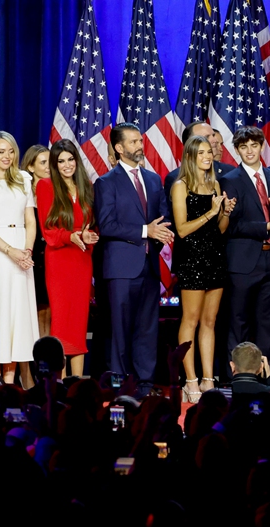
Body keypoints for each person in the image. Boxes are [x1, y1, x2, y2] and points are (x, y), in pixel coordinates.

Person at [94, 122, 173, 382]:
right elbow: (106, 225)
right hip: (120, 268)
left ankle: (145, 382)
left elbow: (162, 219)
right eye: (134, 142)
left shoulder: (152, 179)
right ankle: (119, 382)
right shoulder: (106, 183)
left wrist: (158, 236)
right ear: (119, 148)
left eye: (140, 141)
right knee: (120, 328)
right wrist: (144, 231)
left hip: (148, 266)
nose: (140, 145)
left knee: (147, 329)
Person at [223, 126, 270, 373]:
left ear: (262, 146)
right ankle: (237, 377)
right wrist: (266, 225)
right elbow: (230, 225)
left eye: (254, 146)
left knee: (268, 324)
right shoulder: (229, 180)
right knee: (238, 323)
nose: (250, 151)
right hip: (243, 263)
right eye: (244, 147)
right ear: (237, 150)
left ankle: (267, 377)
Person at [171, 135, 234, 401]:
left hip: (214, 257)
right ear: (190, 157)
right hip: (192, 259)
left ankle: (208, 380)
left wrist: (225, 212)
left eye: (210, 152)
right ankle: (190, 380)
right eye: (202, 153)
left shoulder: (216, 184)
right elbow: (183, 229)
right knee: (191, 320)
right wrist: (210, 212)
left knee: (210, 322)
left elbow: (219, 230)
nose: (209, 157)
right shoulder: (180, 186)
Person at [36, 140, 98, 378]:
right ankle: (58, 385)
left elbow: (93, 225)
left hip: (82, 261)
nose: (66, 165)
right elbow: (47, 230)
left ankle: (77, 384)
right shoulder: (46, 186)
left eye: (70, 159)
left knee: (79, 324)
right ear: (54, 164)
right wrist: (70, 235)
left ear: (76, 160)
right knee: (61, 323)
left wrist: (89, 235)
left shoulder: (87, 187)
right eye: (60, 161)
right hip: (60, 262)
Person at [0, 132, 39, 384]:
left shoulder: (24, 179)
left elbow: (30, 221)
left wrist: (26, 251)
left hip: (21, 255)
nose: (7, 156)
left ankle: (10, 385)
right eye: (1, 151)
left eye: (11, 151)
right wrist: (10, 251)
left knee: (17, 314)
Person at [22, 144, 52, 337]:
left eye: (50, 161)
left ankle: (48, 361)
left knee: (49, 310)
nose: (49, 166)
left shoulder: (56, 191)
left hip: (52, 256)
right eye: (43, 162)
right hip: (31, 257)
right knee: (32, 309)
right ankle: (31, 363)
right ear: (31, 167)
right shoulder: (23, 193)